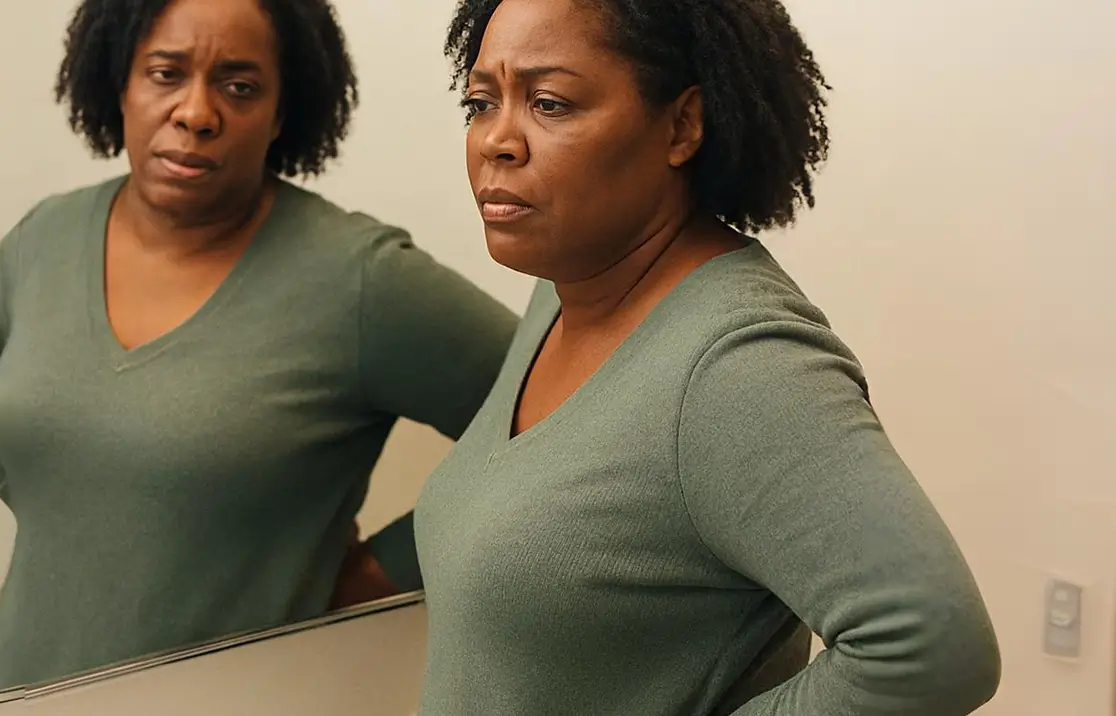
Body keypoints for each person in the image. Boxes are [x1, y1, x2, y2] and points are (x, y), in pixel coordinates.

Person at [412, 0, 1003, 714]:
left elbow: (933, 647)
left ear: (682, 125)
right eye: (481, 101)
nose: (496, 140)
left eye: (550, 102)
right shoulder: (565, 291)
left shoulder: (738, 365)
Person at [0, 0, 517, 694]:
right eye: (165, 73)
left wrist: (389, 570)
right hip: (16, 695)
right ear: (119, 82)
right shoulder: (46, 238)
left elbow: (555, 419)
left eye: (239, 86)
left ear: (281, 113)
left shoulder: (359, 280)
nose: (196, 112)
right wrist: (59, 503)